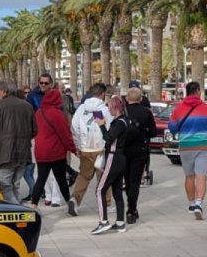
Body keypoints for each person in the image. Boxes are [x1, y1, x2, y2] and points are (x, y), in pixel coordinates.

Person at [169, 81, 207, 219]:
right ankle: (198, 203)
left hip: (185, 146)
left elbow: (172, 128)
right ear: (198, 91)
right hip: (202, 146)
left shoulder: (178, 109)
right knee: (201, 175)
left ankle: (191, 204)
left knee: (189, 176)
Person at [0, 80, 37, 205]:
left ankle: (17, 210)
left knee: (6, 187)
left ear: (4, 91)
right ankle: (18, 216)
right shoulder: (26, 106)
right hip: (23, 154)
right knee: (15, 185)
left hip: (4, 155)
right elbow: (34, 130)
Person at [30, 88, 77, 215]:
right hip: (56, 152)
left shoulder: (38, 113)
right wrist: (73, 149)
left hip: (41, 152)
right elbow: (65, 134)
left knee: (41, 179)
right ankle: (69, 203)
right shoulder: (57, 114)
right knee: (61, 179)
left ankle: (34, 205)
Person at [92, 95, 131, 235]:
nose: (108, 109)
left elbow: (109, 138)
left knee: (99, 190)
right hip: (120, 159)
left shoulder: (119, 123)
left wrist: (101, 125)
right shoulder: (124, 121)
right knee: (117, 191)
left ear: (115, 107)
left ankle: (103, 221)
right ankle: (120, 222)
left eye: (109, 106)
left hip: (113, 157)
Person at [70, 83, 112, 213]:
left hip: (85, 148)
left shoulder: (81, 108)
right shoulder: (104, 110)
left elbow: (74, 127)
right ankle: (106, 203)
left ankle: (75, 200)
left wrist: (78, 144)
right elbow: (110, 127)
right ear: (102, 94)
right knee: (103, 177)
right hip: (100, 148)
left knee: (84, 176)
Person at [120, 86, 155, 224]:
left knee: (127, 179)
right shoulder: (146, 113)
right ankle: (131, 208)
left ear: (127, 99)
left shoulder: (123, 112)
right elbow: (153, 132)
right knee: (135, 180)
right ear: (141, 99)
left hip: (124, 150)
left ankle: (131, 206)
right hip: (140, 150)